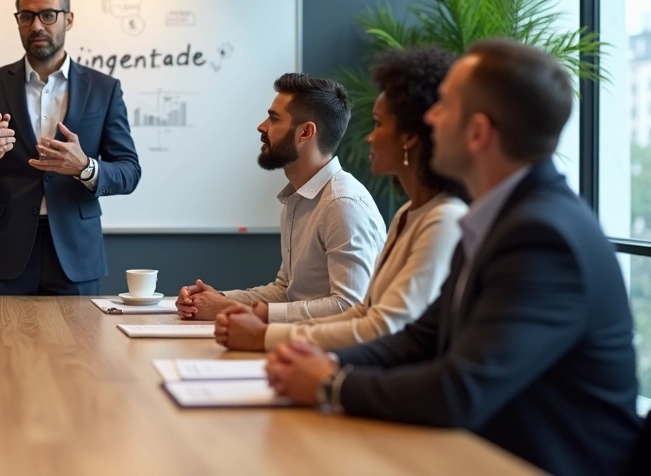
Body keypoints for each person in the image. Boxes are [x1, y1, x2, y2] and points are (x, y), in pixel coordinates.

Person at [264, 40, 641, 476]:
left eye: (443, 106)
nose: (429, 118)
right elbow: (419, 340)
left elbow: (462, 388)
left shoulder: (543, 236)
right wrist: (319, 363)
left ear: (478, 132)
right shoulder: (498, 216)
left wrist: (332, 384)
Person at [214, 49, 467, 352]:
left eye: (377, 124)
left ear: (409, 137)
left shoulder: (349, 203)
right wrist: (227, 305)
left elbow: (369, 317)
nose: (368, 138)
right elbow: (361, 311)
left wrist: (264, 333)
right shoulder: (405, 214)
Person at [0, 0, 141, 295]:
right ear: (18, 21)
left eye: (48, 15)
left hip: (76, 254)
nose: (37, 25)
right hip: (2, 253)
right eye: (26, 16)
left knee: (80, 346)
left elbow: (129, 172)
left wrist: (85, 167)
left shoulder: (104, 89)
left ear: (69, 19)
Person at [177, 74, 385, 324]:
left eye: (274, 118)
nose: (262, 126)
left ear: (306, 132)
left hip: (331, 356)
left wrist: (234, 310)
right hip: (300, 343)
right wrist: (217, 300)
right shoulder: (297, 198)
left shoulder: (342, 204)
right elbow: (286, 290)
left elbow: (350, 306)